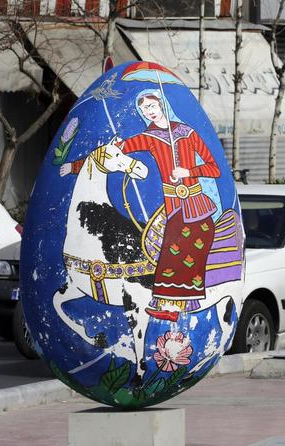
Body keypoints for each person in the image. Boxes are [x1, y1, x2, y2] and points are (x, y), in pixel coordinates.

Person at [62, 91, 221, 322]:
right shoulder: (150, 137)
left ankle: (179, 305)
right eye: (145, 108)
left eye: (152, 105)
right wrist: (75, 166)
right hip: (172, 206)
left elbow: (213, 168)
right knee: (163, 248)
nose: (149, 111)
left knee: (184, 245)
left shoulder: (188, 133)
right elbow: (110, 156)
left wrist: (189, 172)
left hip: (195, 203)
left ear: (162, 105)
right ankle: (168, 305)